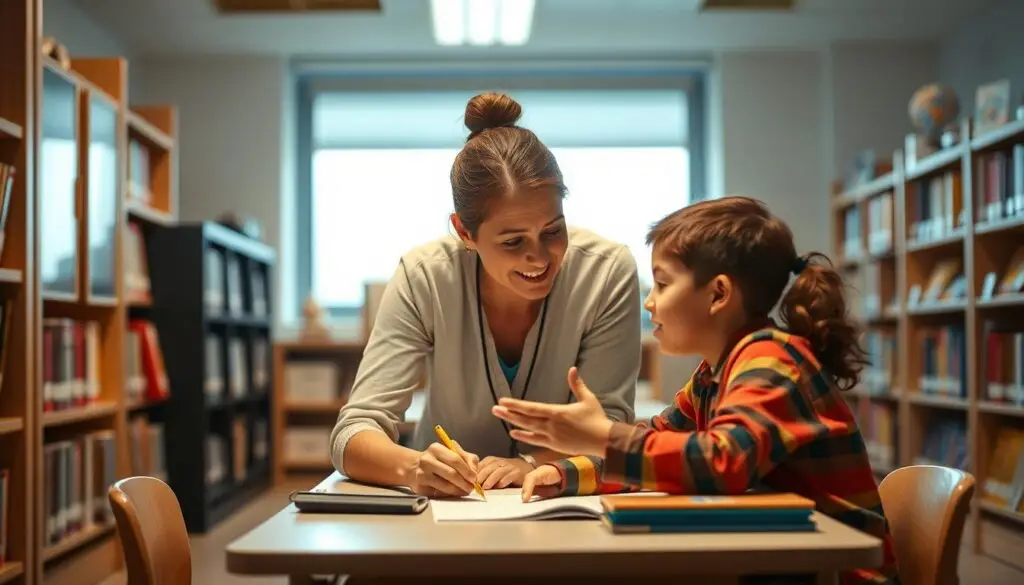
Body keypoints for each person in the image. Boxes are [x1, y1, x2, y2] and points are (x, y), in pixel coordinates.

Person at [492, 196, 900, 585]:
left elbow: (720, 462)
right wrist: (563, 473)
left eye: (662, 284)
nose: (650, 303)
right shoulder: (714, 374)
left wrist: (602, 436)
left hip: (838, 573)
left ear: (718, 294)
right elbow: (660, 448)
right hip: (785, 562)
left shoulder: (772, 360)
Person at [330, 92, 642, 499]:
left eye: (553, 231)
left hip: (560, 500)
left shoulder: (607, 271)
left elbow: (611, 428)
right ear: (464, 232)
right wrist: (413, 467)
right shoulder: (424, 275)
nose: (540, 257)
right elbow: (353, 432)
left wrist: (530, 464)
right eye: (513, 242)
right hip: (443, 506)